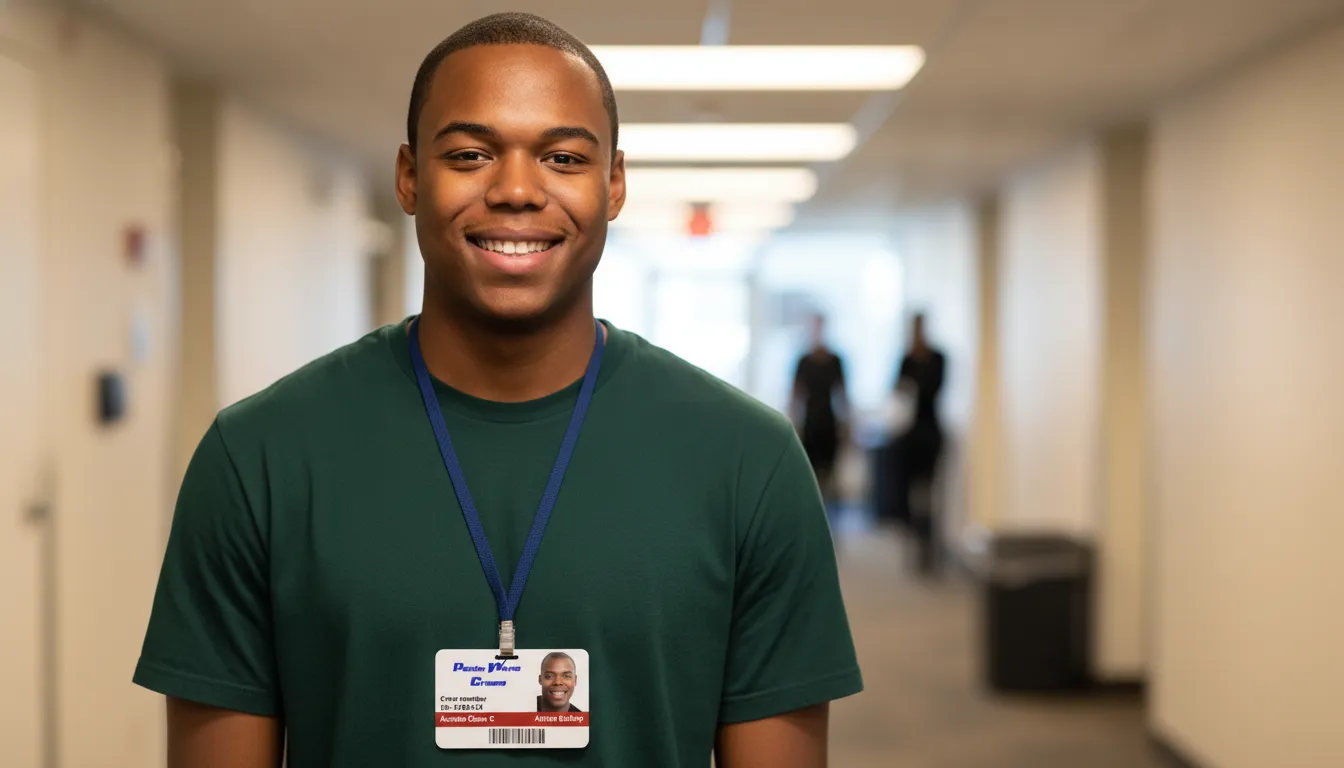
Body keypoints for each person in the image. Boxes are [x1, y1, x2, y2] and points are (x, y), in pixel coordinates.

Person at [132, 12, 861, 768]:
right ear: (410, 177)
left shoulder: (747, 461)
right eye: (472, 153)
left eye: (564, 157)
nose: (516, 189)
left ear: (614, 185)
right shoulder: (260, 458)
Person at [891, 312, 946, 574]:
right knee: (910, 492)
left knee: (930, 492)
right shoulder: (905, 360)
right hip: (908, 436)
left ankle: (929, 546)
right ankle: (914, 540)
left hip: (930, 433)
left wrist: (913, 388)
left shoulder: (938, 358)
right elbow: (897, 393)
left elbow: (931, 391)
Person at [790, 313, 850, 503]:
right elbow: (794, 395)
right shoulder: (803, 361)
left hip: (828, 421)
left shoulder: (835, 361)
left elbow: (843, 395)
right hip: (810, 422)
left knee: (829, 474)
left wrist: (847, 425)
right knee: (810, 473)